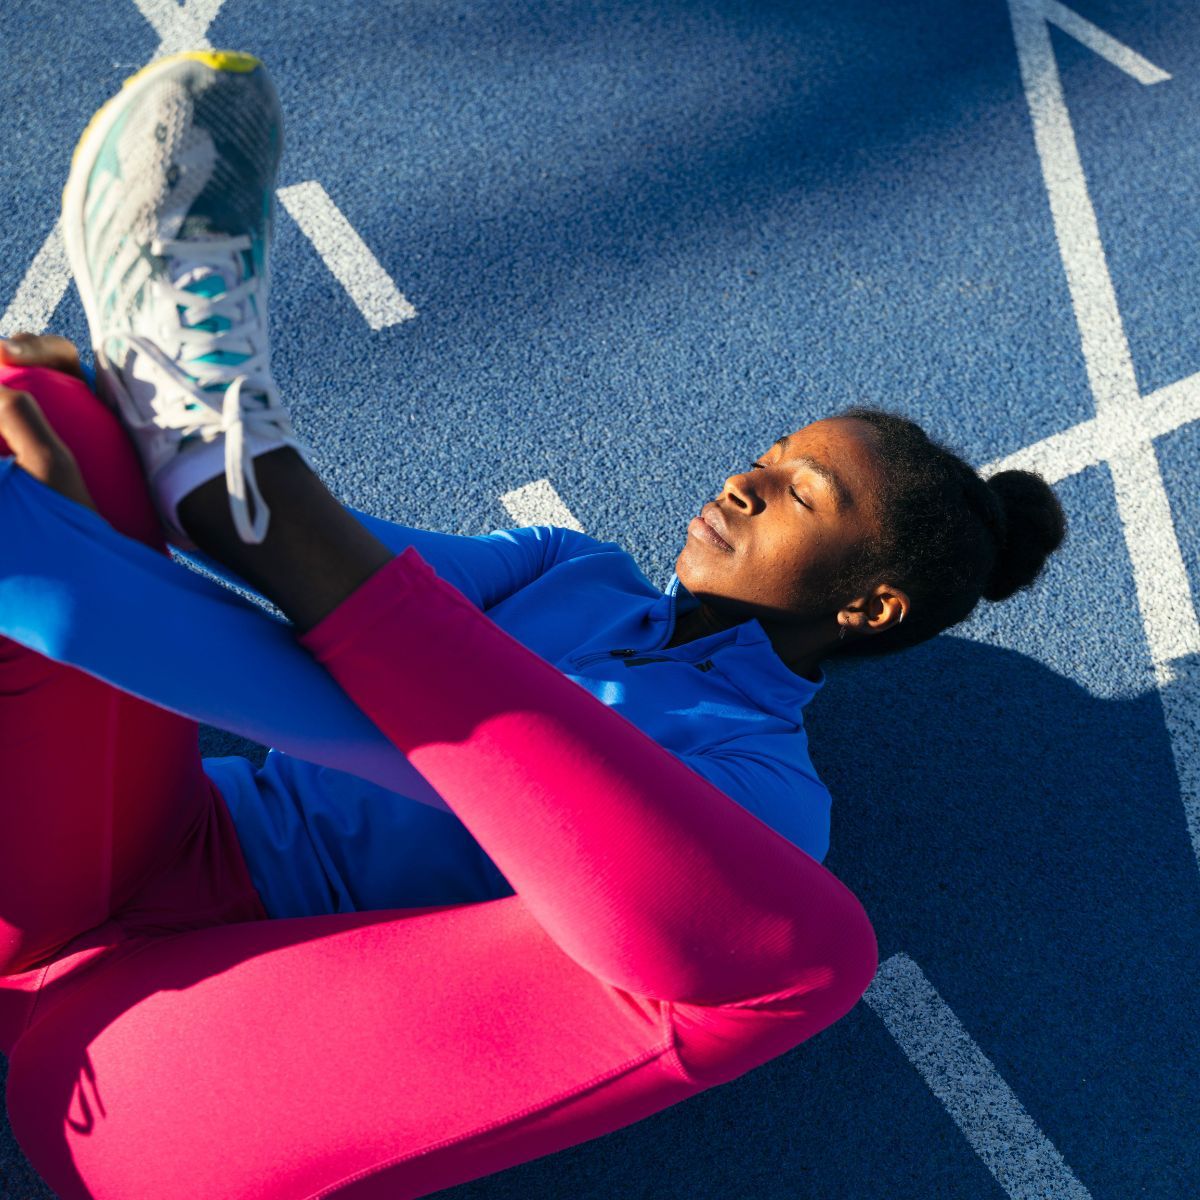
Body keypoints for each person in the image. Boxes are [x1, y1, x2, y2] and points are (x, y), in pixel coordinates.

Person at [0, 51, 1064, 1200]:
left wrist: (106, 580)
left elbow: (426, 743)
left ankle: (180, 510)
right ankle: (201, 493)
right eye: (766, 460)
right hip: (108, 855)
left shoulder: (765, 797)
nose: (747, 485)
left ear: (871, 606)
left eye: (804, 494)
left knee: (796, 952)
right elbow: (347, 575)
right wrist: (127, 499)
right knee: (62, 422)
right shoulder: (575, 571)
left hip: (172, 1042)